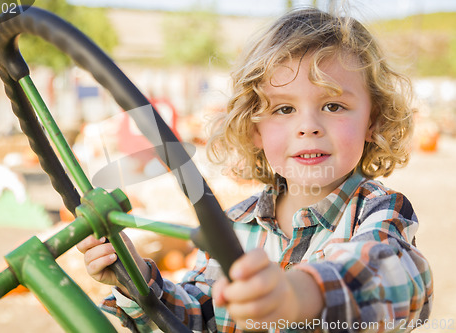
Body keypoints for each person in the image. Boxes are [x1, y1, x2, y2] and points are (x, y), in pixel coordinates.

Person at [77, 7, 433, 332]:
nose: (308, 126)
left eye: (334, 105)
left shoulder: (378, 212)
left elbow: (397, 277)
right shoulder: (233, 225)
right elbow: (197, 314)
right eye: (283, 110)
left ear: (373, 120)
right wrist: (135, 276)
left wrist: (301, 295)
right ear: (254, 128)